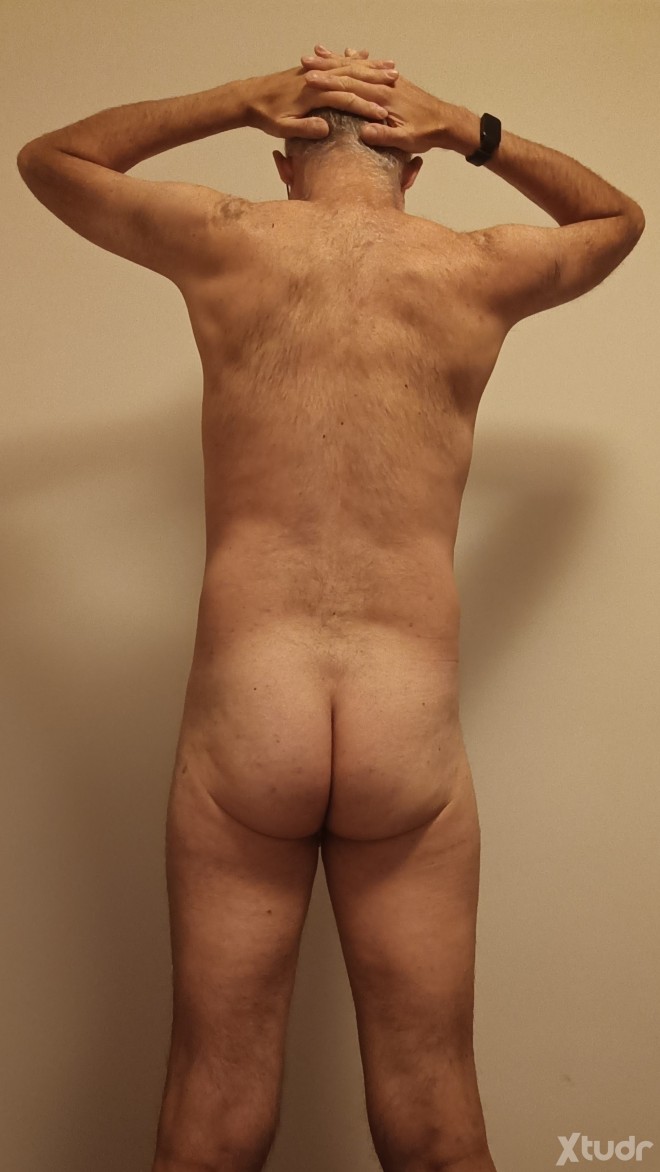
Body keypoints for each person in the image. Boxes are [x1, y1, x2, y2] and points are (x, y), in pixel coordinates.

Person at [17, 42, 645, 1172]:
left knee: (214, 1107)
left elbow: (51, 160)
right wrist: (469, 125)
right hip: (407, 716)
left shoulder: (225, 234)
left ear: (282, 157)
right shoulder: (479, 263)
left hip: (249, 711)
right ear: (416, 164)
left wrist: (235, 95)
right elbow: (617, 219)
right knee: (436, 1113)